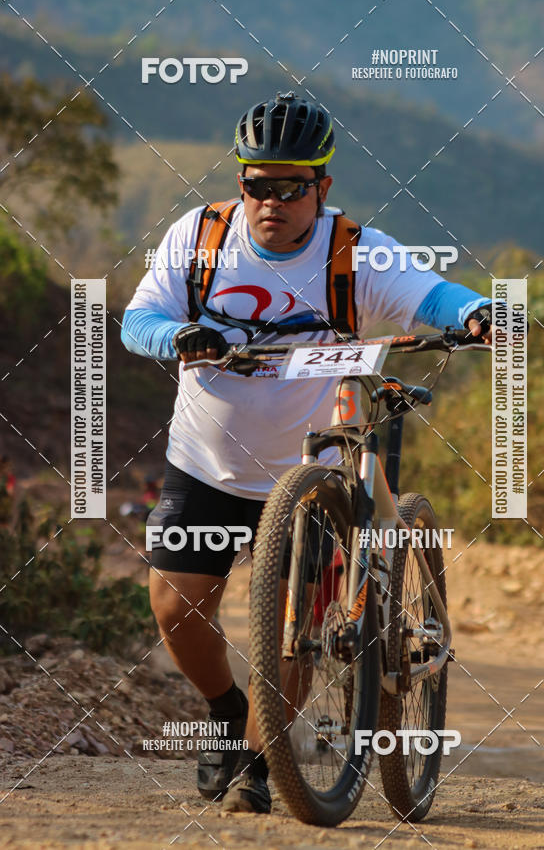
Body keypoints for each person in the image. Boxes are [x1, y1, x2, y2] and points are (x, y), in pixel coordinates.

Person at [121, 91, 495, 814]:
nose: (273, 199)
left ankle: (262, 768)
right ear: (241, 184)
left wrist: (477, 312)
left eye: (292, 185)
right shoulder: (196, 240)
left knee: (291, 631)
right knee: (174, 608)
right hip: (206, 464)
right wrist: (176, 337)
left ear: (322, 186)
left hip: (310, 477)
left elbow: (432, 294)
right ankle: (227, 713)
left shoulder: (355, 250)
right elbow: (139, 318)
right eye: (258, 183)